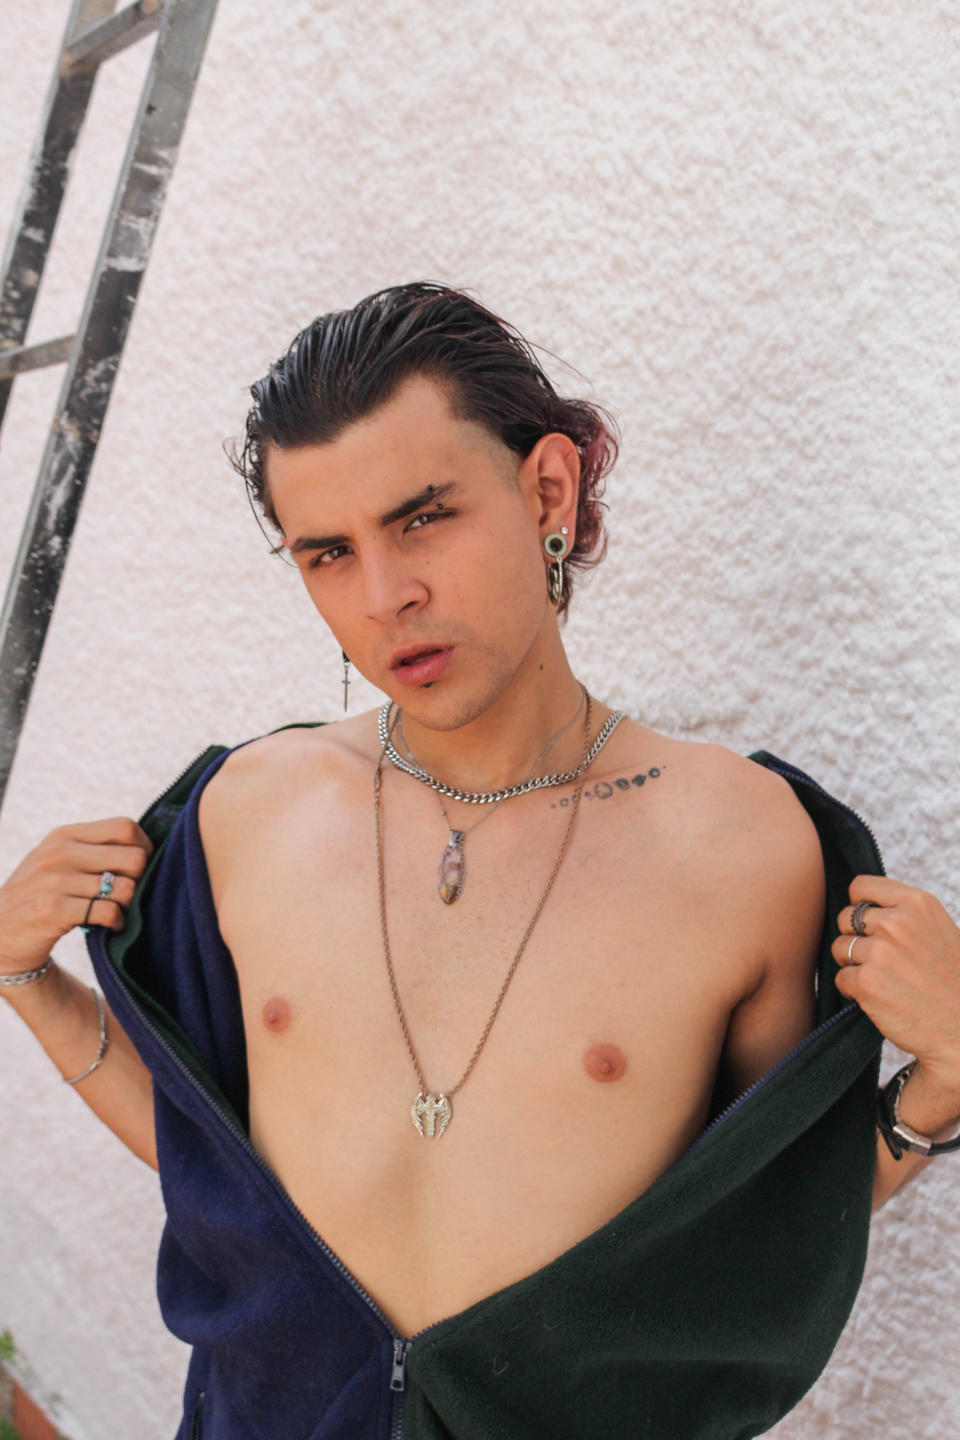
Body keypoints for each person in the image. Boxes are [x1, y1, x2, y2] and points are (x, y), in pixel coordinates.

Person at [2, 280, 960, 1440]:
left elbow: (758, 1225)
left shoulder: (741, 846)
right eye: (327, 553)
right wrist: (26, 979)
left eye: (422, 519)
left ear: (548, 489)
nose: (385, 597)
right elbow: (218, 1174)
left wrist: (948, 1072)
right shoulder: (244, 813)